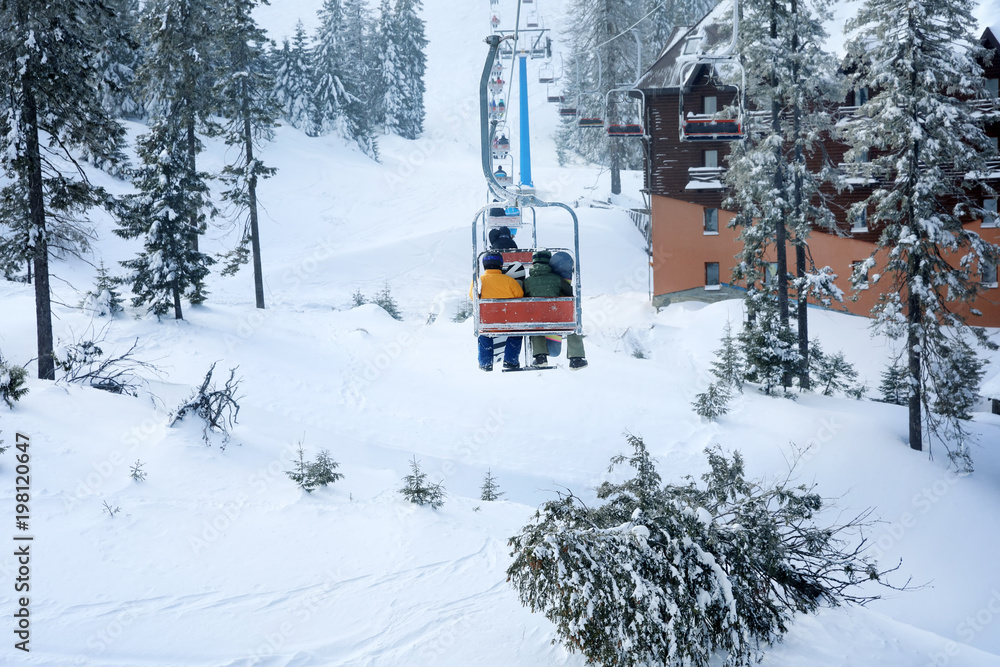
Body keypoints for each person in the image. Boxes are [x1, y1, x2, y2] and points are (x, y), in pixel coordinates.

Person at [523, 250, 588, 369]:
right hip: (556, 318)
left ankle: (540, 357)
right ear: (548, 262)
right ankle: (576, 359)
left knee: (534, 325)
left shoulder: (527, 282)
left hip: (538, 319)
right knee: (573, 324)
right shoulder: (556, 278)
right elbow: (568, 294)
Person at [471, 252, 523, 371]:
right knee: (516, 335)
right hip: (507, 324)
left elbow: (472, 296)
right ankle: (511, 361)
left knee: (484, 336)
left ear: (484, 265)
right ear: (501, 265)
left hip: (488, 324)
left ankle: (486, 363)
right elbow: (519, 295)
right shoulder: (509, 281)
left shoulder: (479, 281)